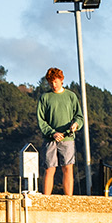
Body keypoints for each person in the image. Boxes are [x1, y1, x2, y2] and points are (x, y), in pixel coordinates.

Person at [35, 67, 85, 196]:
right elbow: (41, 120)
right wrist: (52, 133)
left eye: (55, 82)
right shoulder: (45, 97)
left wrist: (76, 125)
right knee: (49, 169)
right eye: (50, 82)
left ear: (61, 80)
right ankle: (46, 198)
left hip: (67, 139)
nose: (53, 85)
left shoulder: (71, 96)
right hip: (50, 139)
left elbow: (79, 116)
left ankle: (68, 198)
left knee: (68, 168)